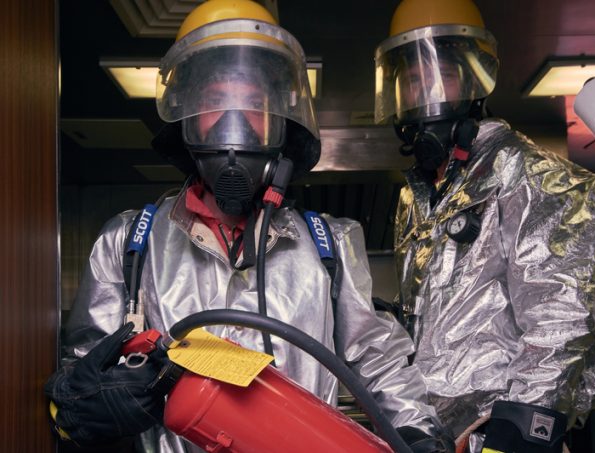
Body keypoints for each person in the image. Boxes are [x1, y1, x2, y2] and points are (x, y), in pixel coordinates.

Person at [45, 1, 449, 452]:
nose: (233, 123)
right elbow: (80, 372)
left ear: (279, 118)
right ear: (187, 117)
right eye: (215, 101)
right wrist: (84, 408)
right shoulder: (126, 243)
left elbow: (381, 361)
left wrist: (418, 432)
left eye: (253, 103)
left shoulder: (330, 245)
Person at [374, 1, 595, 452]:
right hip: (441, 433)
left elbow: (560, 322)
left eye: (439, 75)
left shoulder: (537, 178)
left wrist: (518, 430)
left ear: (474, 78)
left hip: (512, 431)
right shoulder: (419, 196)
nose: (423, 93)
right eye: (412, 80)